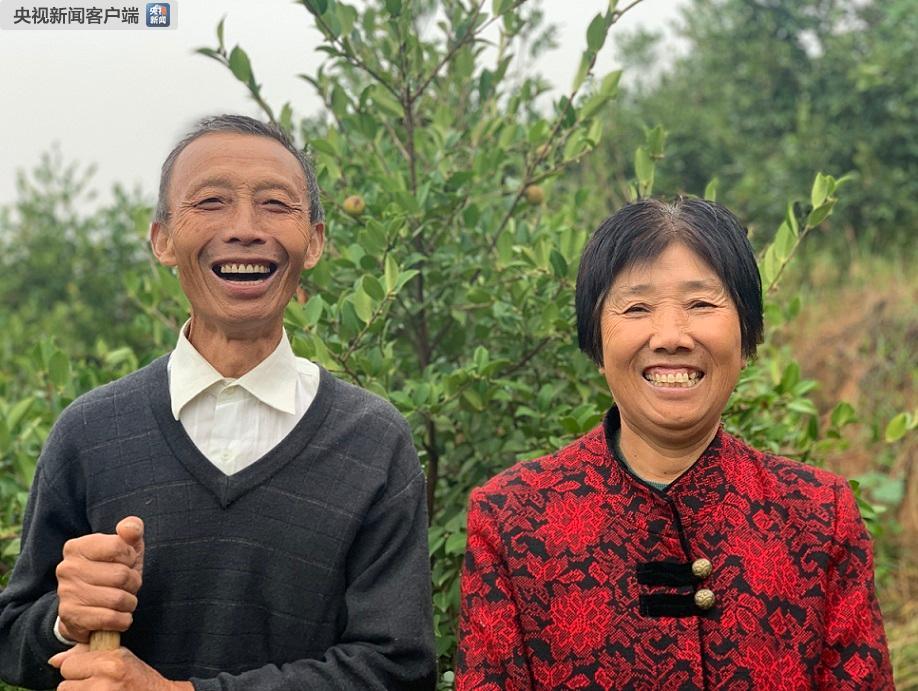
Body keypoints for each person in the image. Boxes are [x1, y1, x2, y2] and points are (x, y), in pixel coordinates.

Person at [0, 115, 437, 690]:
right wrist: (66, 621)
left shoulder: (373, 441)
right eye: (210, 202)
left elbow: (398, 668)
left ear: (314, 242)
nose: (245, 229)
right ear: (162, 239)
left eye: (275, 204)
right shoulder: (91, 432)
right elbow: (12, 640)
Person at [455, 198, 893, 689]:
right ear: (596, 342)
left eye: (701, 304)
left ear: (747, 334)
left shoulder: (818, 515)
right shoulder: (513, 519)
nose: (670, 337)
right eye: (637, 307)